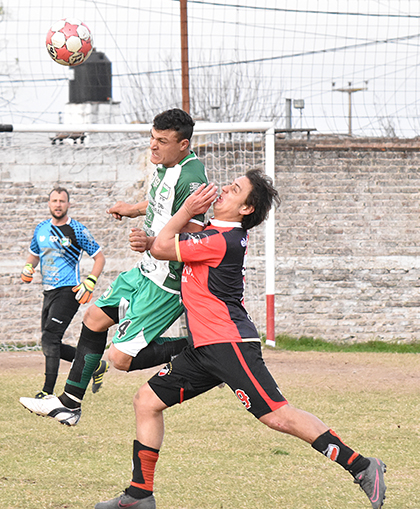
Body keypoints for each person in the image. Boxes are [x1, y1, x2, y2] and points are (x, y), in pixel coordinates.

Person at [94, 170, 387, 509]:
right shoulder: (213, 232)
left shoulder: (224, 240)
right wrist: (151, 233)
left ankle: (363, 466)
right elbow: (164, 240)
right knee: (146, 402)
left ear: (246, 209)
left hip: (228, 344)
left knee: (277, 415)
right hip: (203, 349)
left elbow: (163, 244)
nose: (224, 190)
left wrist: (183, 213)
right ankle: (139, 495)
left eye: (234, 190)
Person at [20, 108, 208, 426]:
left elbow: (196, 234)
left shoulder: (192, 178)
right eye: (152, 138)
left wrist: (151, 242)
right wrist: (133, 210)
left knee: (120, 359)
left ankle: (198, 350)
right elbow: (161, 202)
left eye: (162, 141)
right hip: (145, 269)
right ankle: (69, 404)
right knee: (94, 318)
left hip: (166, 282)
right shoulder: (165, 168)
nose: (153, 146)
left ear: (184, 144)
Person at [20, 187, 106, 398]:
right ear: (49, 204)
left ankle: (47, 392)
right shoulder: (41, 229)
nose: (58, 204)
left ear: (68, 204)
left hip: (69, 291)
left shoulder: (76, 230)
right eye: (54, 200)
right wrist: (27, 268)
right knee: (50, 342)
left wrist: (91, 281)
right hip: (48, 292)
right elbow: (34, 256)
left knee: (50, 338)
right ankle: (95, 366)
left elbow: (99, 257)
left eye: (62, 201)